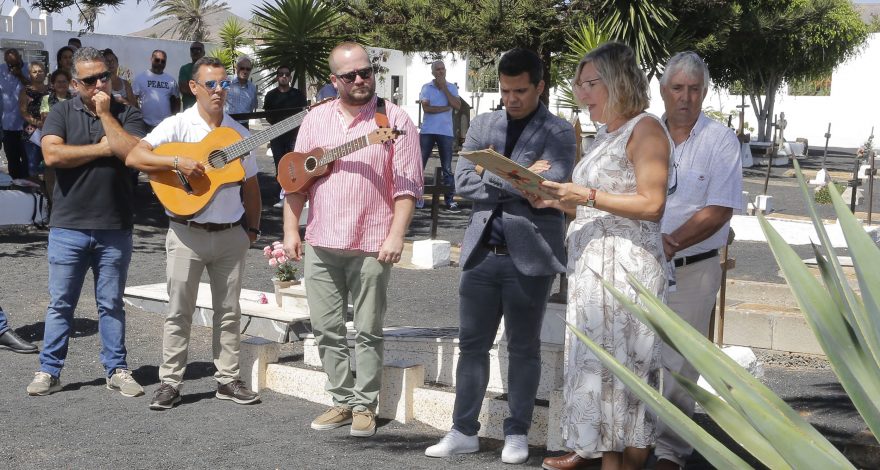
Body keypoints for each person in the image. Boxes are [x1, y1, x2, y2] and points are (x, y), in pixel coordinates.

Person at [425, 48, 576, 465]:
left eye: (521, 91)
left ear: (540, 86)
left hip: (530, 256)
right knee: (471, 346)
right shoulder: (483, 123)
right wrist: (518, 178)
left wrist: (489, 173)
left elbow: (551, 189)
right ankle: (463, 431)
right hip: (481, 254)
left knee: (523, 348)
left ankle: (517, 433)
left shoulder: (559, 131)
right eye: (506, 90)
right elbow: (461, 183)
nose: (511, 98)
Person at [531, 42, 670, 470]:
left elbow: (652, 204)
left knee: (628, 377)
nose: (582, 93)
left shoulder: (646, 129)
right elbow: (594, 203)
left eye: (590, 83)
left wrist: (585, 193)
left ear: (619, 81)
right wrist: (554, 199)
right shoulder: (607, 134)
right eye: (579, 84)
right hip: (595, 271)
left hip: (627, 272)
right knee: (603, 377)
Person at [281, 42, 421, 438]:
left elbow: (408, 186)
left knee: (368, 329)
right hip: (322, 239)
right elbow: (296, 177)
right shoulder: (316, 119)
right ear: (333, 81)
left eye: (366, 72)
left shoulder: (394, 120)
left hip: (373, 241)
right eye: (350, 75)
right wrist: (292, 229)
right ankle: (341, 400)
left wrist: (397, 235)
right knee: (326, 328)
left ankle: (365, 405)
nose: (361, 80)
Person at [126, 56, 263, 411]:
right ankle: (171, 381)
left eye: (224, 84)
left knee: (229, 312)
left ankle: (228, 379)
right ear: (193, 87)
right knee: (178, 311)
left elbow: (251, 187)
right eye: (212, 84)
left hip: (231, 233)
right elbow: (135, 157)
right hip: (186, 233)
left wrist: (252, 229)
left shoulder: (238, 134)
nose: (219, 91)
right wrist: (177, 162)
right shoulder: (176, 125)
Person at [29, 47, 146, 397]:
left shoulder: (127, 113)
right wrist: (103, 148)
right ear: (76, 82)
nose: (99, 84)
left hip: (115, 226)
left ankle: (117, 370)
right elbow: (52, 154)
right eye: (91, 79)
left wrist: (108, 118)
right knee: (61, 303)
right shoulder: (62, 112)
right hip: (68, 226)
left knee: (111, 303)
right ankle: (49, 370)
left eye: (104, 77)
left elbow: (134, 153)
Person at [653, 52, 743, 470]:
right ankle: (630, 443)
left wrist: (670, 243)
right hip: (641, 264)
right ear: (662, 91)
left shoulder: (721, 141)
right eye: (677, 88)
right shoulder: (644, 133)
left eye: (694, 89)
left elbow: (720, 208)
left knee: (679, 363)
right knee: (632, 352)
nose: (685, 98)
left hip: (693, 268)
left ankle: (671, 451)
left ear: (704, 92)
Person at [418, 60, 461, 212]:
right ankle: (417, 198)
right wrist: (445, 108)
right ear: (433, 72)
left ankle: (450, 201)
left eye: (442, 68)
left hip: (445, 132)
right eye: (437, 69)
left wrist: (445, 89)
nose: (440, 71)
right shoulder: (426, 87)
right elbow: (426, 108)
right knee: (419, 165)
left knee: (447, 168)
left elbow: (457, 105)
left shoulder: (451, 87)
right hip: (427, 131)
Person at [263, 64, 307, 207]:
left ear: (290, 77)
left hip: (294, 136)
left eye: (286, 74)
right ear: (277, 77)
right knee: (279, 165)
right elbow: (268, 115)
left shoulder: (298, 95)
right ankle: (281, 194)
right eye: (281, 74)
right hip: (276, 136)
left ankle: (293, 194)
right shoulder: (270, 96)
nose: (283, 76)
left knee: (294, 165)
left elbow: (303, 114)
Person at [40, 69, 73, 203]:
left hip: (71, 142)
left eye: (64, 81)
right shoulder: (46, 99)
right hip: (53, 142)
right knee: (52, 179)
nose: (61, 84)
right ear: (53, 84)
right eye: (58, 82)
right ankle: (54, 207)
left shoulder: (76, 99)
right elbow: (45, 120)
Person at [132, 49, 180, 132]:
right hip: (146, 124)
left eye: (163, 61)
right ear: (151, 59)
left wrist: (174, 118)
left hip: (166, 126)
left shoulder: (171, 80)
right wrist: (138, 116)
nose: (160, 63)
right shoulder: (140, 78)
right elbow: (133, 99)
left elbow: (177, 100)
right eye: (157, 60)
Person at [18, 61, 48, 179]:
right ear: (29, 74)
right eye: (34, 72)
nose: (37, 74)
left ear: (45, 73)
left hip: (50, 130)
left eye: (40, 71)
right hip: (31, 133)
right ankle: (36, 192)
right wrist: (37, 123)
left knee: (49, 164)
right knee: (33, 165)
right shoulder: (25, 91)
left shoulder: (51, 89)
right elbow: (23, 112)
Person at [1, 48, 28, 179]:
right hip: (7, 124)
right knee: (12, 160)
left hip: (26, 123)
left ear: (20, 58)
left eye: (14, 63)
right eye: (8, 63)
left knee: (28, 159)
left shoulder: (29, 69)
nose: (11, 66)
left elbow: (35, 87)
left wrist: (20, 75)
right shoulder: (1, 70)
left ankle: (29, 188)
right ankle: (16, 186)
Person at [225, 56, 258, 129]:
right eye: (242, 68)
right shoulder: (226, 81)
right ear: (236, 68)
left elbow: (251, 108)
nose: (245, 71)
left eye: (248, 69)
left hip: (244, 125)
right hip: (227, 124)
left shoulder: (252, 88)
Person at [178, 41, 204, 111]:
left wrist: (194, 89)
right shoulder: (185, 68)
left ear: (203, 53)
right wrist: (204, 92)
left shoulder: (208, 69)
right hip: (189, 108)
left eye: (198, 49)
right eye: (193, 50)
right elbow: (183, 88)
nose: (195, 52)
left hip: (205, 109)